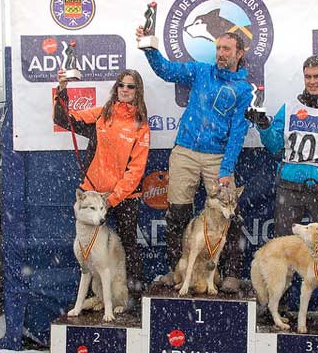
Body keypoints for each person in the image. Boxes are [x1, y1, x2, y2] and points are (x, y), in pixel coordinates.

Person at [135, 26, 253, 293]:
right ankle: (175, 270)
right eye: (218, 49)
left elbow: (237, 133)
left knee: (229, 214)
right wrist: (150, 47)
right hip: (185, 151)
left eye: (226, 49)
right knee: (177, 214)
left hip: (217, 158)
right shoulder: (201, 71)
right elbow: (166, 70)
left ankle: (232, 274)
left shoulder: (244, 89)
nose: (221, 54)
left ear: (239, 53)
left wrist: (226, 169)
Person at [245, 55, 318, 328]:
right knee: (282, 247)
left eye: (317, 76)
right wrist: (263, 126)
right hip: (289, 186)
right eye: (308, 76)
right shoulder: (292, 106)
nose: (312, 82)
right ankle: (277, 303)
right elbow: (275, 146)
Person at [53, 69, 151, 304]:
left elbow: (136, 170)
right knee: (88, 248)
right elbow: (63, 119)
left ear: (138, 92)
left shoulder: (141, 126)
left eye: (130, 86)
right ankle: (93, 297)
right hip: (93, 193)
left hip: (124, 197)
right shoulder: (101, 114)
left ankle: (134, 299)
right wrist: (62, 91)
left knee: (128, 245)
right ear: (116, 88)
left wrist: (112, 199)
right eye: (121, 85)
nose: (125, 90)